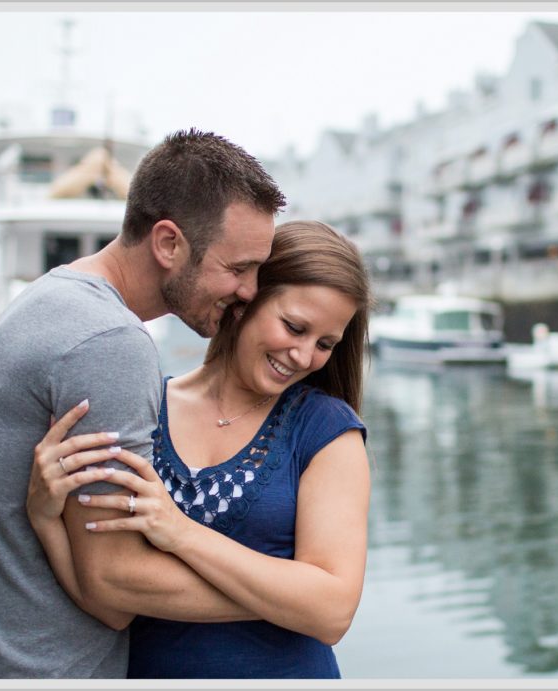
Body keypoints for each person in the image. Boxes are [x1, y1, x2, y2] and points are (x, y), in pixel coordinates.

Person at [0, 128, 286, 678]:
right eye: (238, 268)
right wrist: (293, 599)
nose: (248, 290)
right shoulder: (109, 344)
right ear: (168, 243)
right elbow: (115, 584)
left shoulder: (53, 297)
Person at [27, 220, 373, 678]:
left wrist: (182, 533)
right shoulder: (146, 410)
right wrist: (44, 518)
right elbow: (111, 604)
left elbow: (331, 613)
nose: (304, 356)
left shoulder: (327, 431)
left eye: (325, 344)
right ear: (244, 300)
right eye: (294, 327)